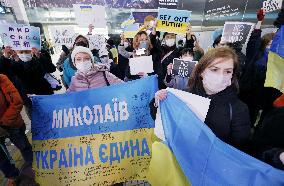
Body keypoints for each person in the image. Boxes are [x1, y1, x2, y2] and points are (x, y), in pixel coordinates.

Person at [153, 47, 251, 150]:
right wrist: (159, 101)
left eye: (227, 71)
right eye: (214, 69)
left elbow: (238, 148)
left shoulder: (238, 109)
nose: (221, 76)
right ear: (201, 71)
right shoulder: (184, 96)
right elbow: (164, 119)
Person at [239, 9, 281, 126]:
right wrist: (259, 22)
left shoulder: (278, 61)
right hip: (248, 95)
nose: (271, 47)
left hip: (266, 99)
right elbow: (254, 40)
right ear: (263, 45)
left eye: (274, 45)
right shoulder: (255, 54)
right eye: (268, 44)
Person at [0, 74, 33, 185]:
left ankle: (34, 168)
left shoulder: (2, 79)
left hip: (11, 124)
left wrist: (3, 123)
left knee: (24, 147)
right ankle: (12, 175)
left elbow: (16, 102)